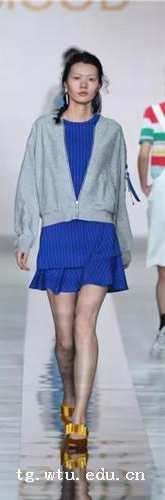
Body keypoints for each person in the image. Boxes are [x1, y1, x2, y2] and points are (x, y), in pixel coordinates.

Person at [14, 51, 132, 451]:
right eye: (77, 77)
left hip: (98, 236)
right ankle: (68, 393)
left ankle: (79, 416)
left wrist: (123, 241)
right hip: (59, 234)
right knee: (64, 339)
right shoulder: (44, 129)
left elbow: (118, 189)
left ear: (100, 85)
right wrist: (26, 235)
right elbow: (28, 182)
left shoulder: (112, 131)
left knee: (85, 325)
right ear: (65, 82)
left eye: (91, 78)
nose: (83, 85)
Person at [138, 100, 165, 358]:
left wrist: (145, 185)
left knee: (163, 266)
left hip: (161, 190)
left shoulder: (154, 113)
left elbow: (144, 154)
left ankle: (164, 329)